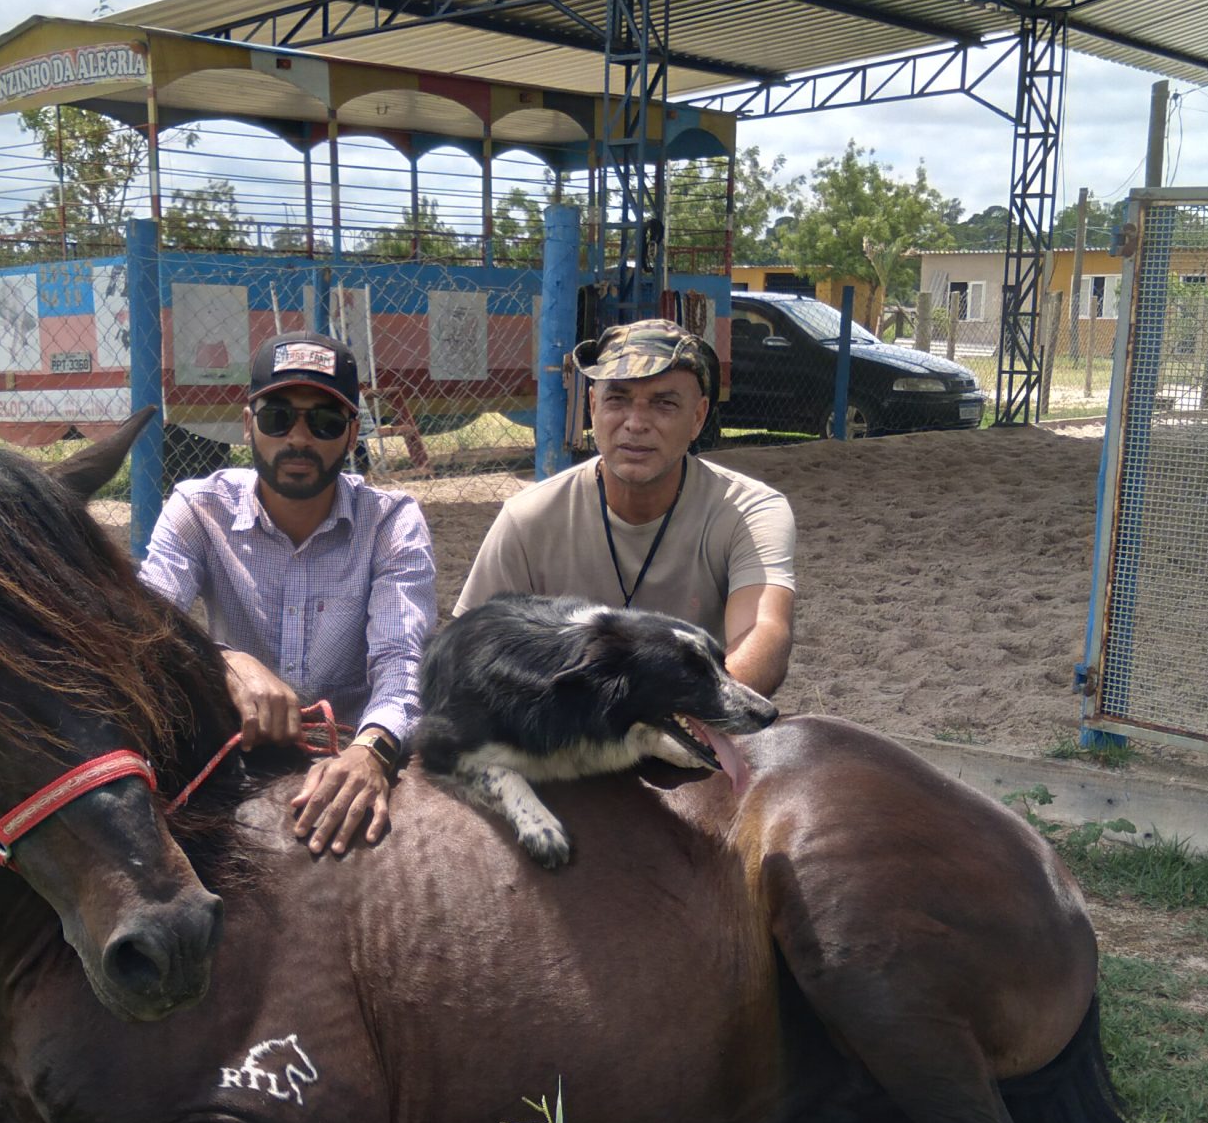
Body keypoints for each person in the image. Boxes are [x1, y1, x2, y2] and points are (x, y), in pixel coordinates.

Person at [137, 332, 433, 856]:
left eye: (323, 421)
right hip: (233, 754)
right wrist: (224, 661)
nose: (299, 438)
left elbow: (402, 661)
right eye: (278, 417)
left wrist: (371, 753)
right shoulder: (199, 509)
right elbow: (143, 625)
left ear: (350, 434)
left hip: (352, 755)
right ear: (248, 423)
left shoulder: (391, 521)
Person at [455, 319, 796, 695]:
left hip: (694, 726)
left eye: (664, 404)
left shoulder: (748, 512)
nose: (635, 424)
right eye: (617, 399)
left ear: (697, 417)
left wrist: (674, 717)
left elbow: (764, 633)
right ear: (593, 406)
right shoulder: (529, 517)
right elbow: (467, 652)